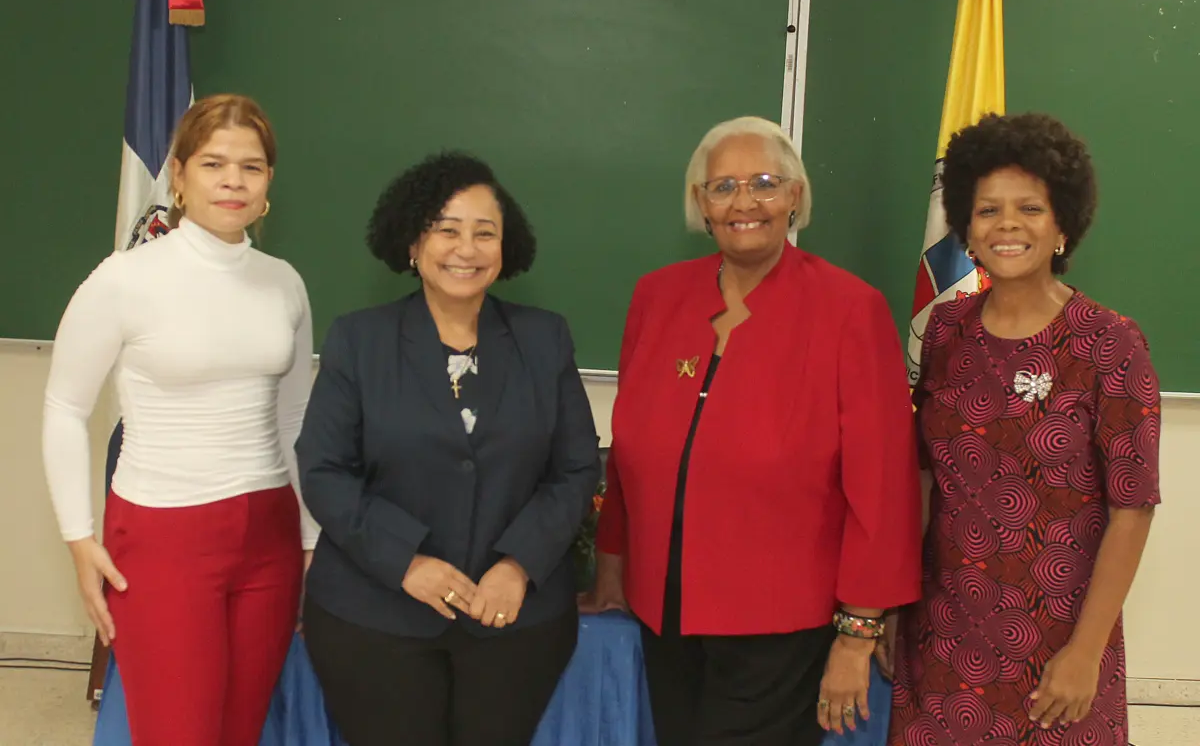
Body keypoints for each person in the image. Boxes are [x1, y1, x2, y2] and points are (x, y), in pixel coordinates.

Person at [581, 116, 923, 745]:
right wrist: (612, 566)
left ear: (795, 196)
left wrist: (859, 631)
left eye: (765, 183)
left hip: (781, 625)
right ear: (700, 204)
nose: (745, 202)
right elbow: (630, 449)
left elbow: (883, 485)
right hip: (667, 612)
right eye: (723, 186)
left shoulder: (850, 309)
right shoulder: (657, 298)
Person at [41, 93, 320, 746]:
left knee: (238, 732)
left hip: (269, 537)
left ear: (269, 182)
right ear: (180, 173)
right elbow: (65, 408)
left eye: (251, 167)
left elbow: (295, 415)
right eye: (214, 163)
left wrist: (309, 538)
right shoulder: (124, 280)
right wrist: (80, 540)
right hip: (162, 538)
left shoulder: (285, 283)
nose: (232, 180)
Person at [296, 151, 601, 746]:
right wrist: (407, 562)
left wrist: (518, 566)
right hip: (374, 615)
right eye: (447, 229)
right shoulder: (360, 340)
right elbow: (325, 470)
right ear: (413, 242)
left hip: (515, 620)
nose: (467, 248)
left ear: (505, 248)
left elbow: (575, 467)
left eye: (485, 232)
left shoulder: (545, 338)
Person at [887, 112, 1161, 745]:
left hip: (1058, 648)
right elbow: (926, 479)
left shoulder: (1109, 342)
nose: (1007, 224)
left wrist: (1085, 652)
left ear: (1062, 223)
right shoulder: (946, 332)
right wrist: (896, 607)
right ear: (966, 226)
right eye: (987, 211)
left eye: (1029, 208)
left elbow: (1133, 509)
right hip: (943, 642)